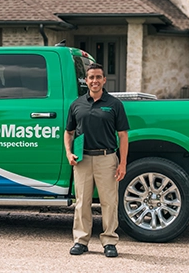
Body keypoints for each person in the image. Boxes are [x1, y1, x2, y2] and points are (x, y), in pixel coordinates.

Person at [64, 62, 129, 257]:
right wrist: (69, 153)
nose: (94, 81)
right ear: (86, 80)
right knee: (82, 202)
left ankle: (109, 241)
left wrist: (123, 162)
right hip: (83, 160)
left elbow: (123, 135)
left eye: (98, 77)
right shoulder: (77, 104)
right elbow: (68, 132)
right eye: (91, 77)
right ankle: (81, 241)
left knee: (108, 202)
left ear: (104, 80)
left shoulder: (114, 104)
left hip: (106, 158)